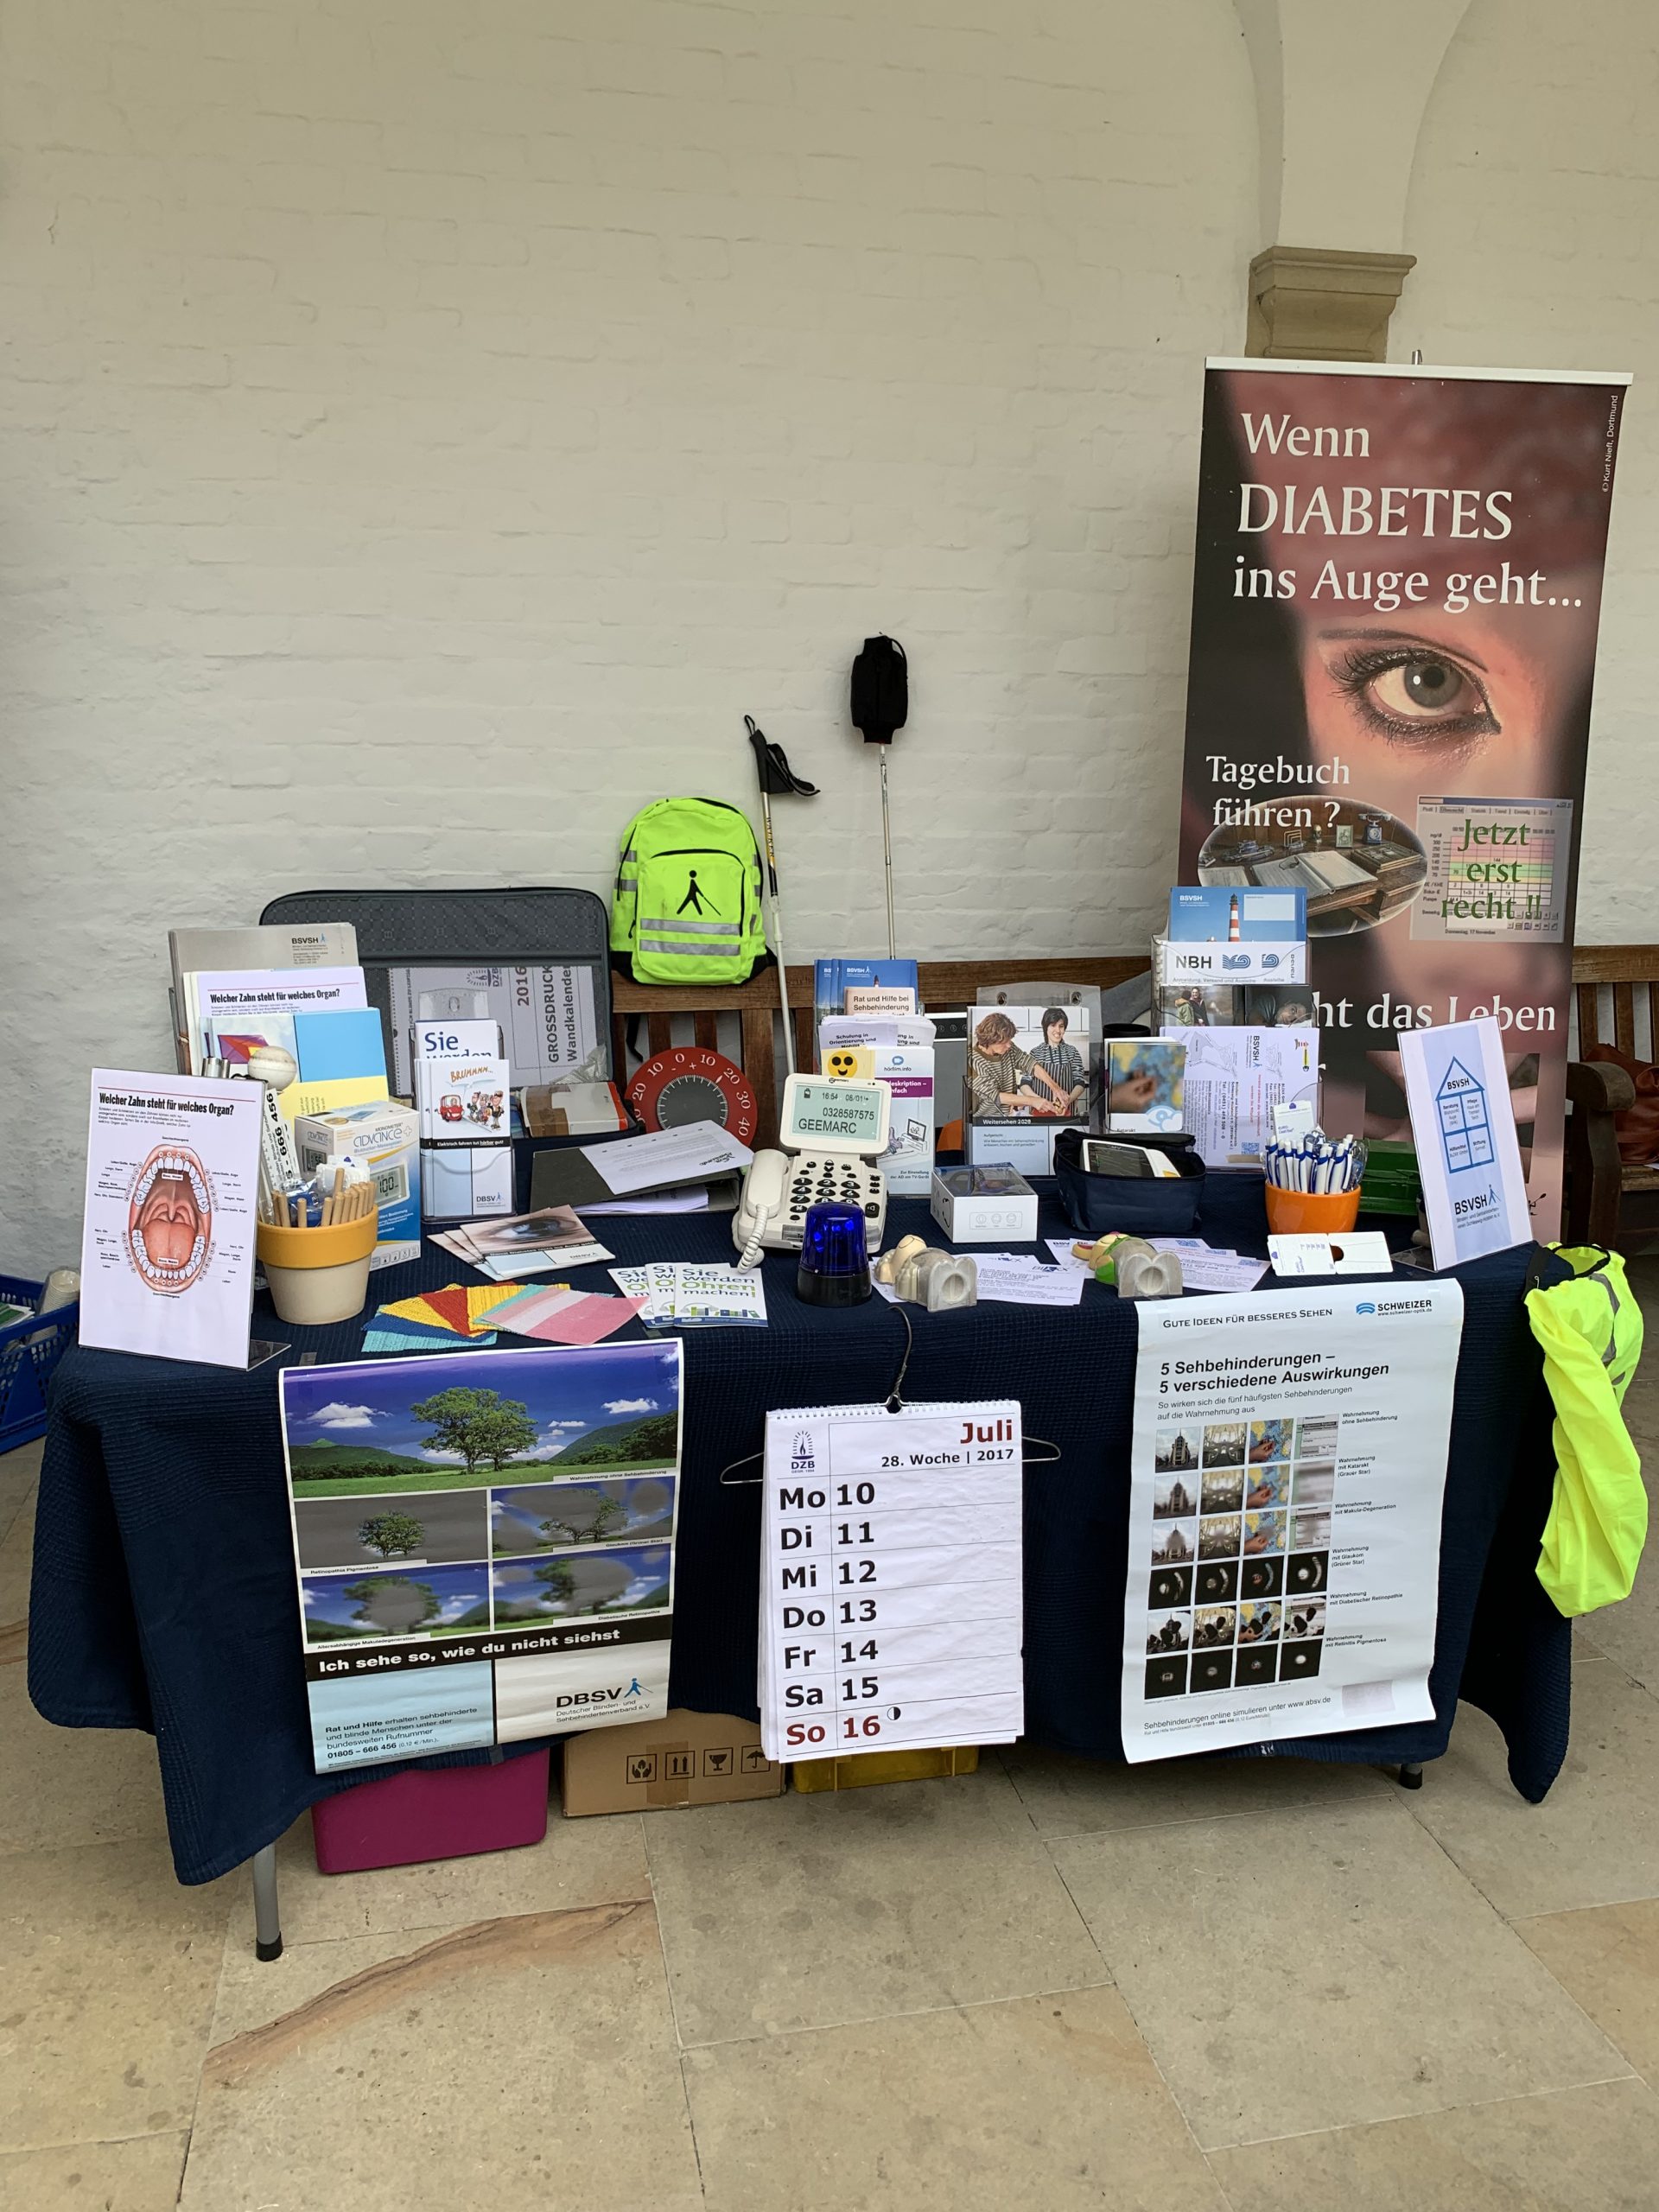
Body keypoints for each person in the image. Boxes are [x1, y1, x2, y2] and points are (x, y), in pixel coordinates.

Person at [969, 1012, 1071, 1119]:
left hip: (1007, 1117)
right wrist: (1032, 1101)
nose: (1009, 1045)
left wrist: (1055, 1088)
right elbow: (995, 1096)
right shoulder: (973, 1061)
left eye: (1009, 1040)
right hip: (985, 1121)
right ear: (990, 1040)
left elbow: (1029, 1063)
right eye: (1004, 1042)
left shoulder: (1008, 1049)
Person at [1019, 1007, 1088, 1117]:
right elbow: (1024, 1084)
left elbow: (1080, 1083)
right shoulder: (1035, 1053)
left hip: (1065, 1112)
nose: (1058, 1030)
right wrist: (1038, 1100)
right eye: (1053, 1025)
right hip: (1039, 1112)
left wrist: (1067, 1101)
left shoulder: (1072, 1052)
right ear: (1045, 1028)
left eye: (1061, 1026)